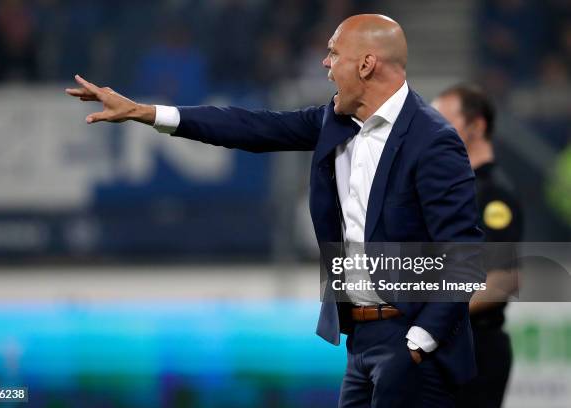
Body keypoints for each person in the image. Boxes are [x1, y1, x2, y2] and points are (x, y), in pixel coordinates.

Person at [66, 14, 483, 408]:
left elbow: (463, 256)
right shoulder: (334, 122)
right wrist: (146, 112)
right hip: (360, 341)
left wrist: (419, 340)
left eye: (335, 53)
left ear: (368, 65)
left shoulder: (432, 141)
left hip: (411, 344)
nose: (325, 62)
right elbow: (249, 127)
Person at [433, 84, 523, 408]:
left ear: (477, 125)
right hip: (446, 346)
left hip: (476, 347)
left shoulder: (493, 193)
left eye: (444, 119)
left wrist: (433, 315)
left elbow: (503, 280)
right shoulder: (452, 190)